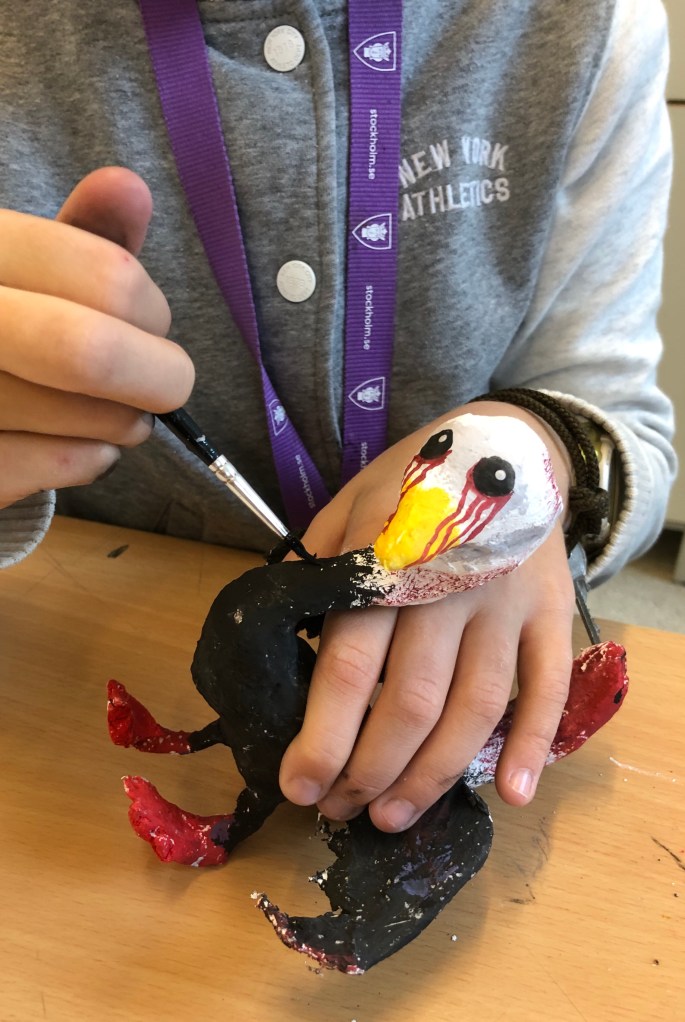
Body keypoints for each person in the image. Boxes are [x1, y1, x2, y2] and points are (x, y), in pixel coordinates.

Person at [0, 0, 676, 834]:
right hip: (58, 697)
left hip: (454, 710)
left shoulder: (587, 27)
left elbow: (621, 422)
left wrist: (544, 452)